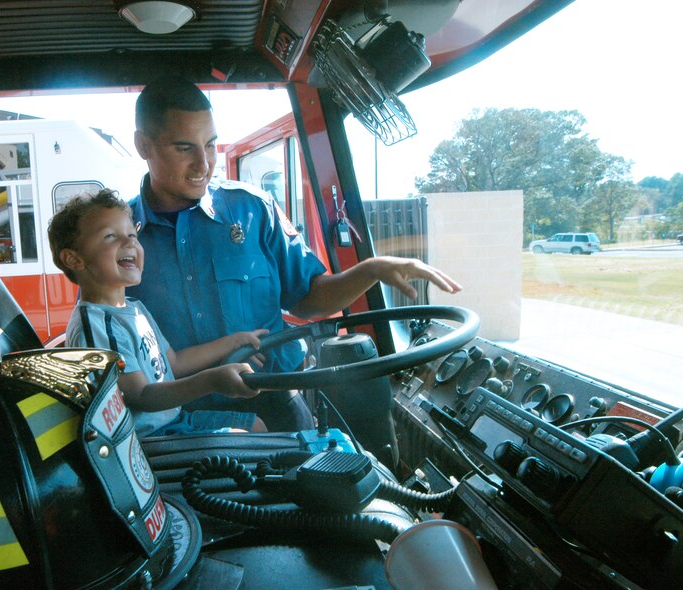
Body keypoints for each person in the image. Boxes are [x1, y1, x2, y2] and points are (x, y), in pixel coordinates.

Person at [126, 76, 463, 432]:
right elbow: (108, 337)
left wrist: (372, 270)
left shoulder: (253, 210)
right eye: (184, 149)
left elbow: (309, 299)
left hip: (276, 403)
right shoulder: (119, 237)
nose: (204, 165)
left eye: (209, 145)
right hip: (179, 422)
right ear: (143, 145)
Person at [48, 189, 268, 436]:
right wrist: (213, 380)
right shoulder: (98, 325)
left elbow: (173, 362)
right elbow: (142, 396)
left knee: (257, 427)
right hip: (148, 439)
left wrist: (233, 342)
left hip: (173, 420)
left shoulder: (134, 309)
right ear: (74, 259)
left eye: (132, 234)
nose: (130, 242)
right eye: (110, 236)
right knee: (250, 437)